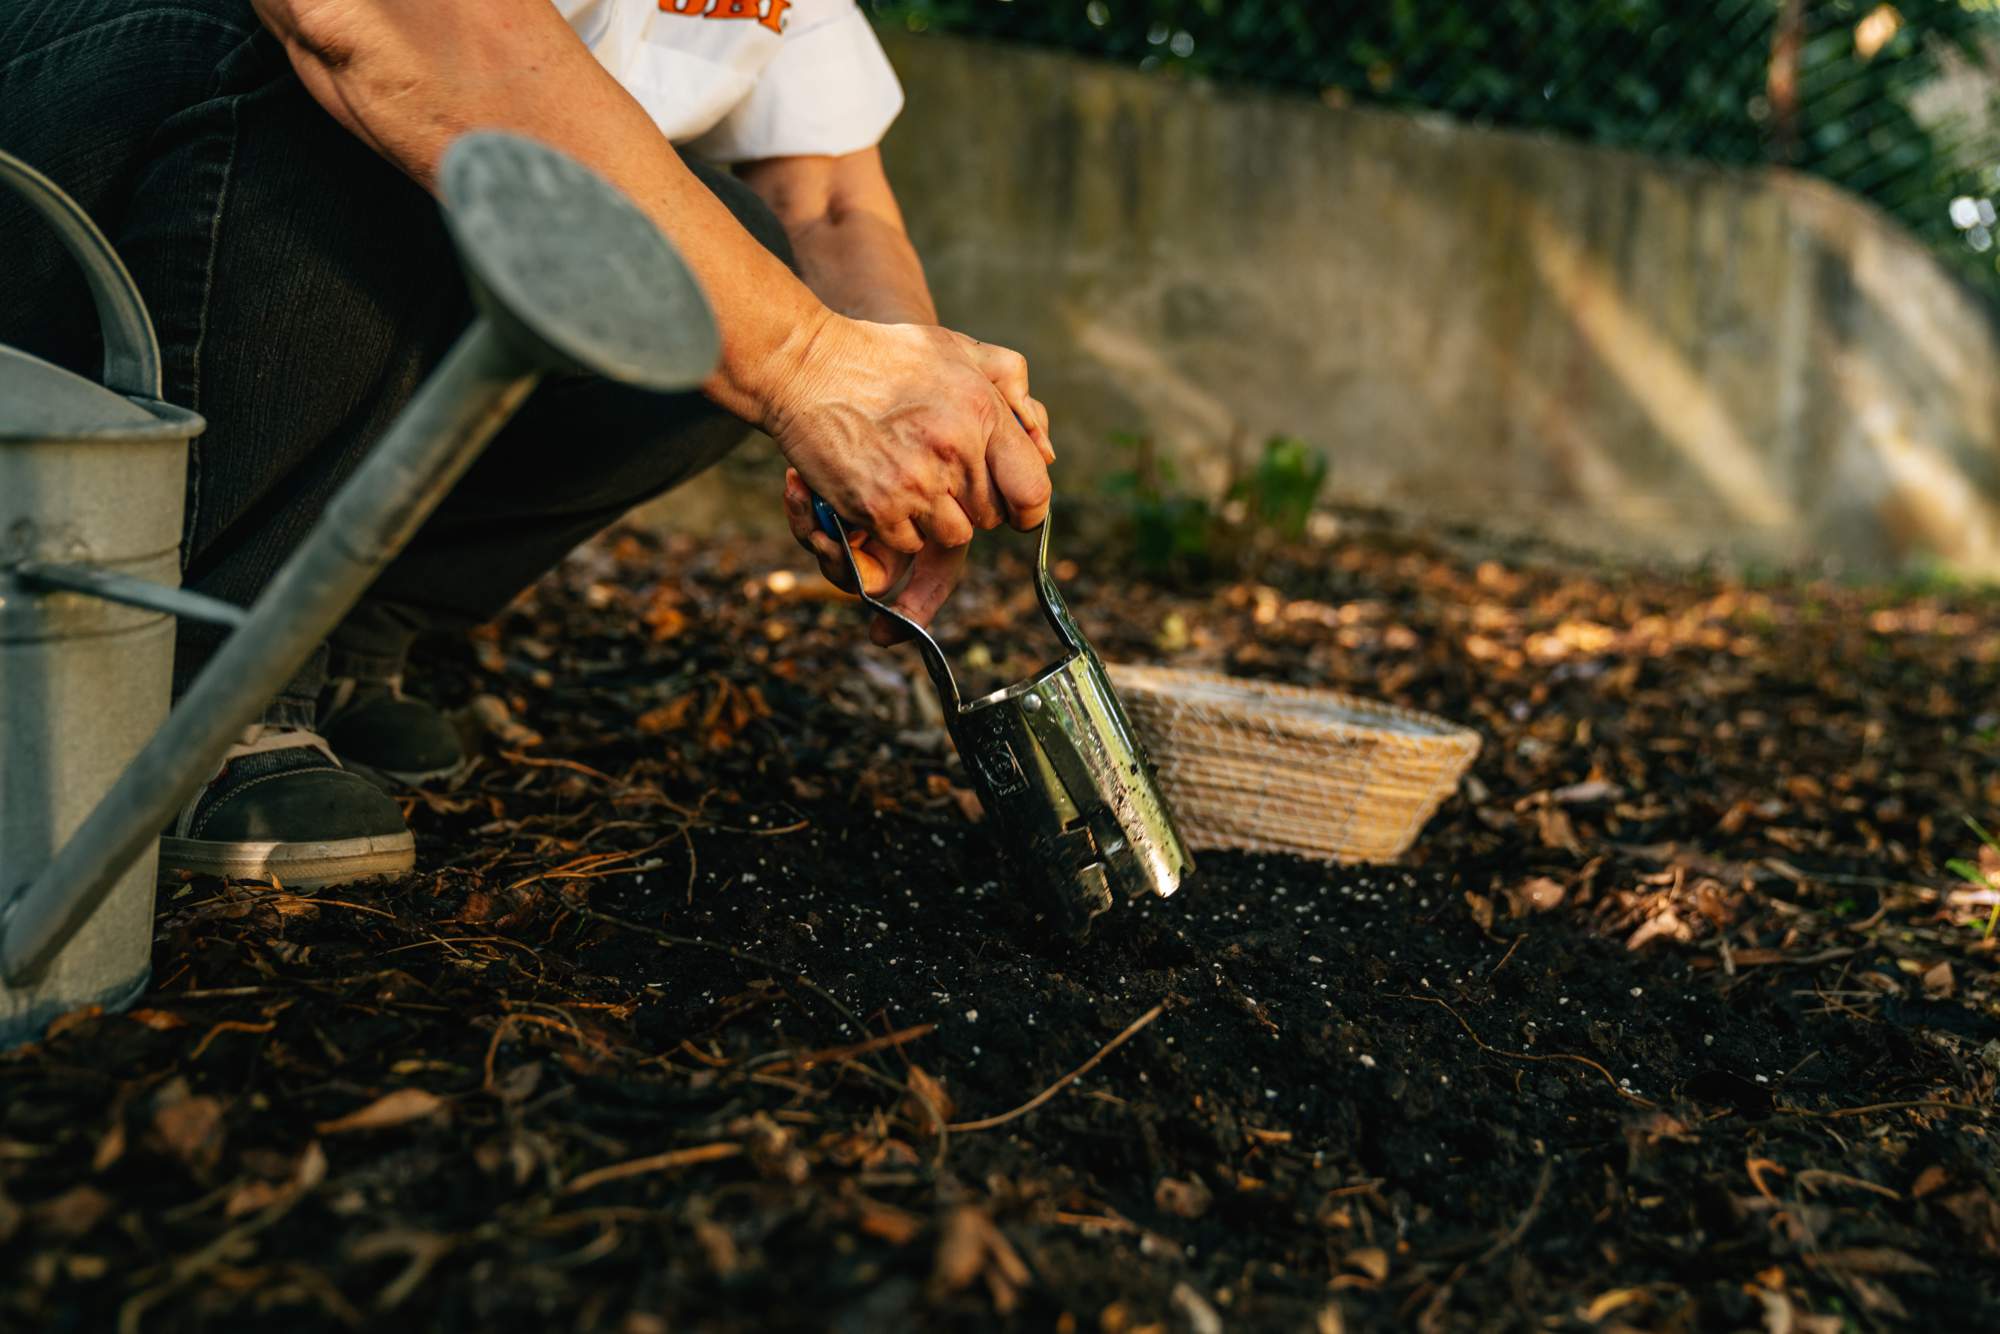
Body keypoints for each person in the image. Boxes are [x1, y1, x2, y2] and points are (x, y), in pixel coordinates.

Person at [0, 0, 1054, 889]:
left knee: (727, 260)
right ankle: (191, 674)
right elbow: (397, 27)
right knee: (365, 101)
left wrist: (912, 393)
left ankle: (336, 612)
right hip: (79, 124)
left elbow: (825, 198)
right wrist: (804, 358)